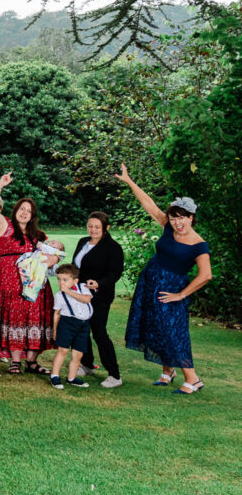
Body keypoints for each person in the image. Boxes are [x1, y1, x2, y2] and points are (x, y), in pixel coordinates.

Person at [115, 165, 212, 395]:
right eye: (173, 218)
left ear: (191, 218)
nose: (177, 223)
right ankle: (168, 371)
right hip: (151, 282)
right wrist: (129, 182)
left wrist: (181, 294)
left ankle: (193, 379)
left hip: (172, 289)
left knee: (172, 330)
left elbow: (206, 275)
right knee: (156, 326)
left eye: (182, 219)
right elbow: (149, 204)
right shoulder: (168, 228)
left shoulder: (199, 244)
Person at [0, 172, 53, 375]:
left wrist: (53, 259)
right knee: (14, 316)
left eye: (28, 211)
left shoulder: (38, 235)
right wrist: (0, 186)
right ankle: (14, 360)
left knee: (34, 317)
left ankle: (31, 361)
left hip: (35, 283)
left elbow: (53, 254)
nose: (24, 213)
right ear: (16, 211)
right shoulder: (5, 226)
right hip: (10, 279)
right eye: (22, 209)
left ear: (33, 215)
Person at [73, 211, 126, 388]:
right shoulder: (82, 242)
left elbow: (114, 273)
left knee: (99, 332)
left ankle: (114, 375)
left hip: (99, 296)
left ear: (106, 228)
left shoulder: (113, 247)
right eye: (90, 226)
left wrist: (98, 284)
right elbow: (76, 266)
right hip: (80, 294)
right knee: (82, 329)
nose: (93, 230)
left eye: (97, 227)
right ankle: (87, 364)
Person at [49, 264, 94, 389]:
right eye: (59, 279)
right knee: (63, 350)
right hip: (67, 323)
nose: (61, 283)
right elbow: (57, 313)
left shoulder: (83, 288)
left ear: (75, 281)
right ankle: (55, 376)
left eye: (65, 280)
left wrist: (68, 291)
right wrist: (55, 329)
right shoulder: (59, 295)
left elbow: (86, 300)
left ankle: (72, 377)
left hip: (83, 325)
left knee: (78, 353)